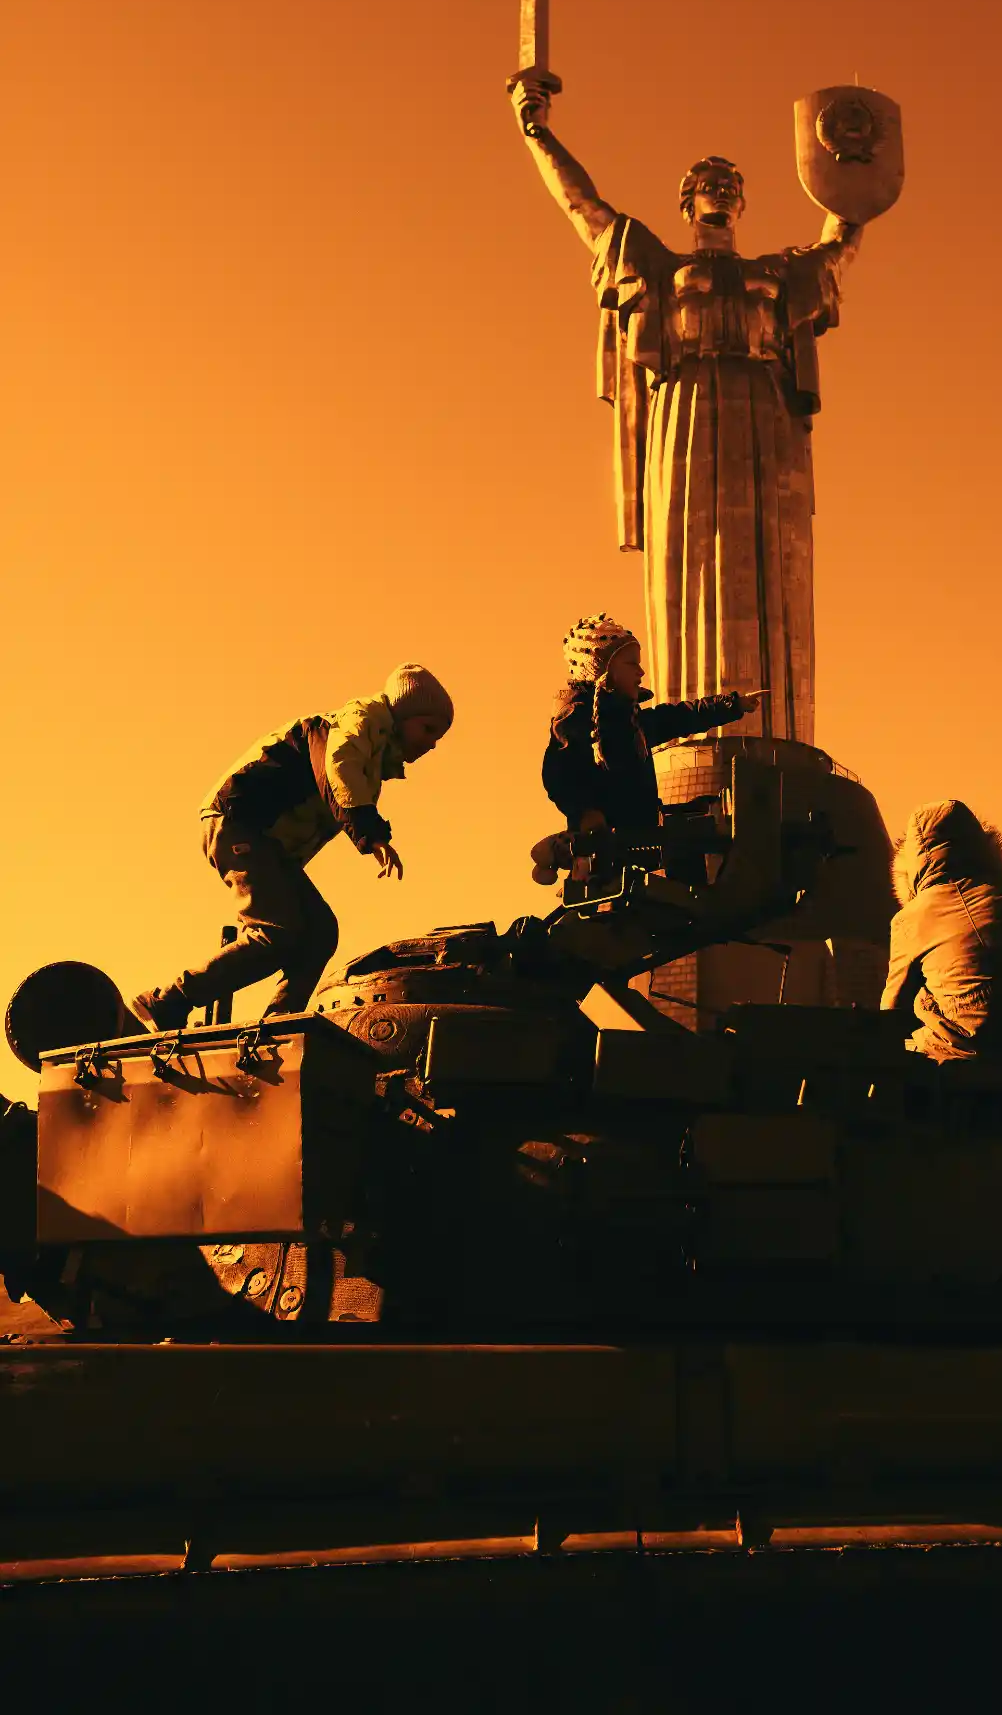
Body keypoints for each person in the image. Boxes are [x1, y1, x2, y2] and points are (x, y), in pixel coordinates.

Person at [513, 69, 875, 748]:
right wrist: (537, 133)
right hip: (685, 414)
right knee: (692, 559)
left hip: (764, 416)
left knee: (775, 566)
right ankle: (692, 734)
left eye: (732, 183)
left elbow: (838, 247)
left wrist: (853, 181)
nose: (722, 189)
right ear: (688, 200)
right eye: (710, 182)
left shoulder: (776, 273)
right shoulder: (656, 265)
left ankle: (777, 729)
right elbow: (584, 209)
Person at [133, 663, 454, 1028]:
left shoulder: (372, 756)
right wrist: (372, 833)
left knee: (319, 931)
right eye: (427, 729)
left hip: (268, 845)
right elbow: (339, 772)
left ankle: (281, 1021)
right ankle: (168, 1001)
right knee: (276, 931)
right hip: (238, 822)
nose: (431, 743)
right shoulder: (355, 724)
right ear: (402, 714)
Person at [534, 614, 760, 882]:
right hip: (608, 847)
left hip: (641, 837)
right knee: (688, 843)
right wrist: (584, 812)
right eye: (632, 664)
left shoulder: (630, 721)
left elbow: (679, 717)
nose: (641, 673)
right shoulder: (577, 717)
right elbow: (559, 773)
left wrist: (733, 704)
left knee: (703, 828)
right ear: (604, 670)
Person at [882, 799, 1002, 1071]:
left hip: (964, 1060)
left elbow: (892, 1012)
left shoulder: (911, 918)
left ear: (912, 861)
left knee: (922, 999)